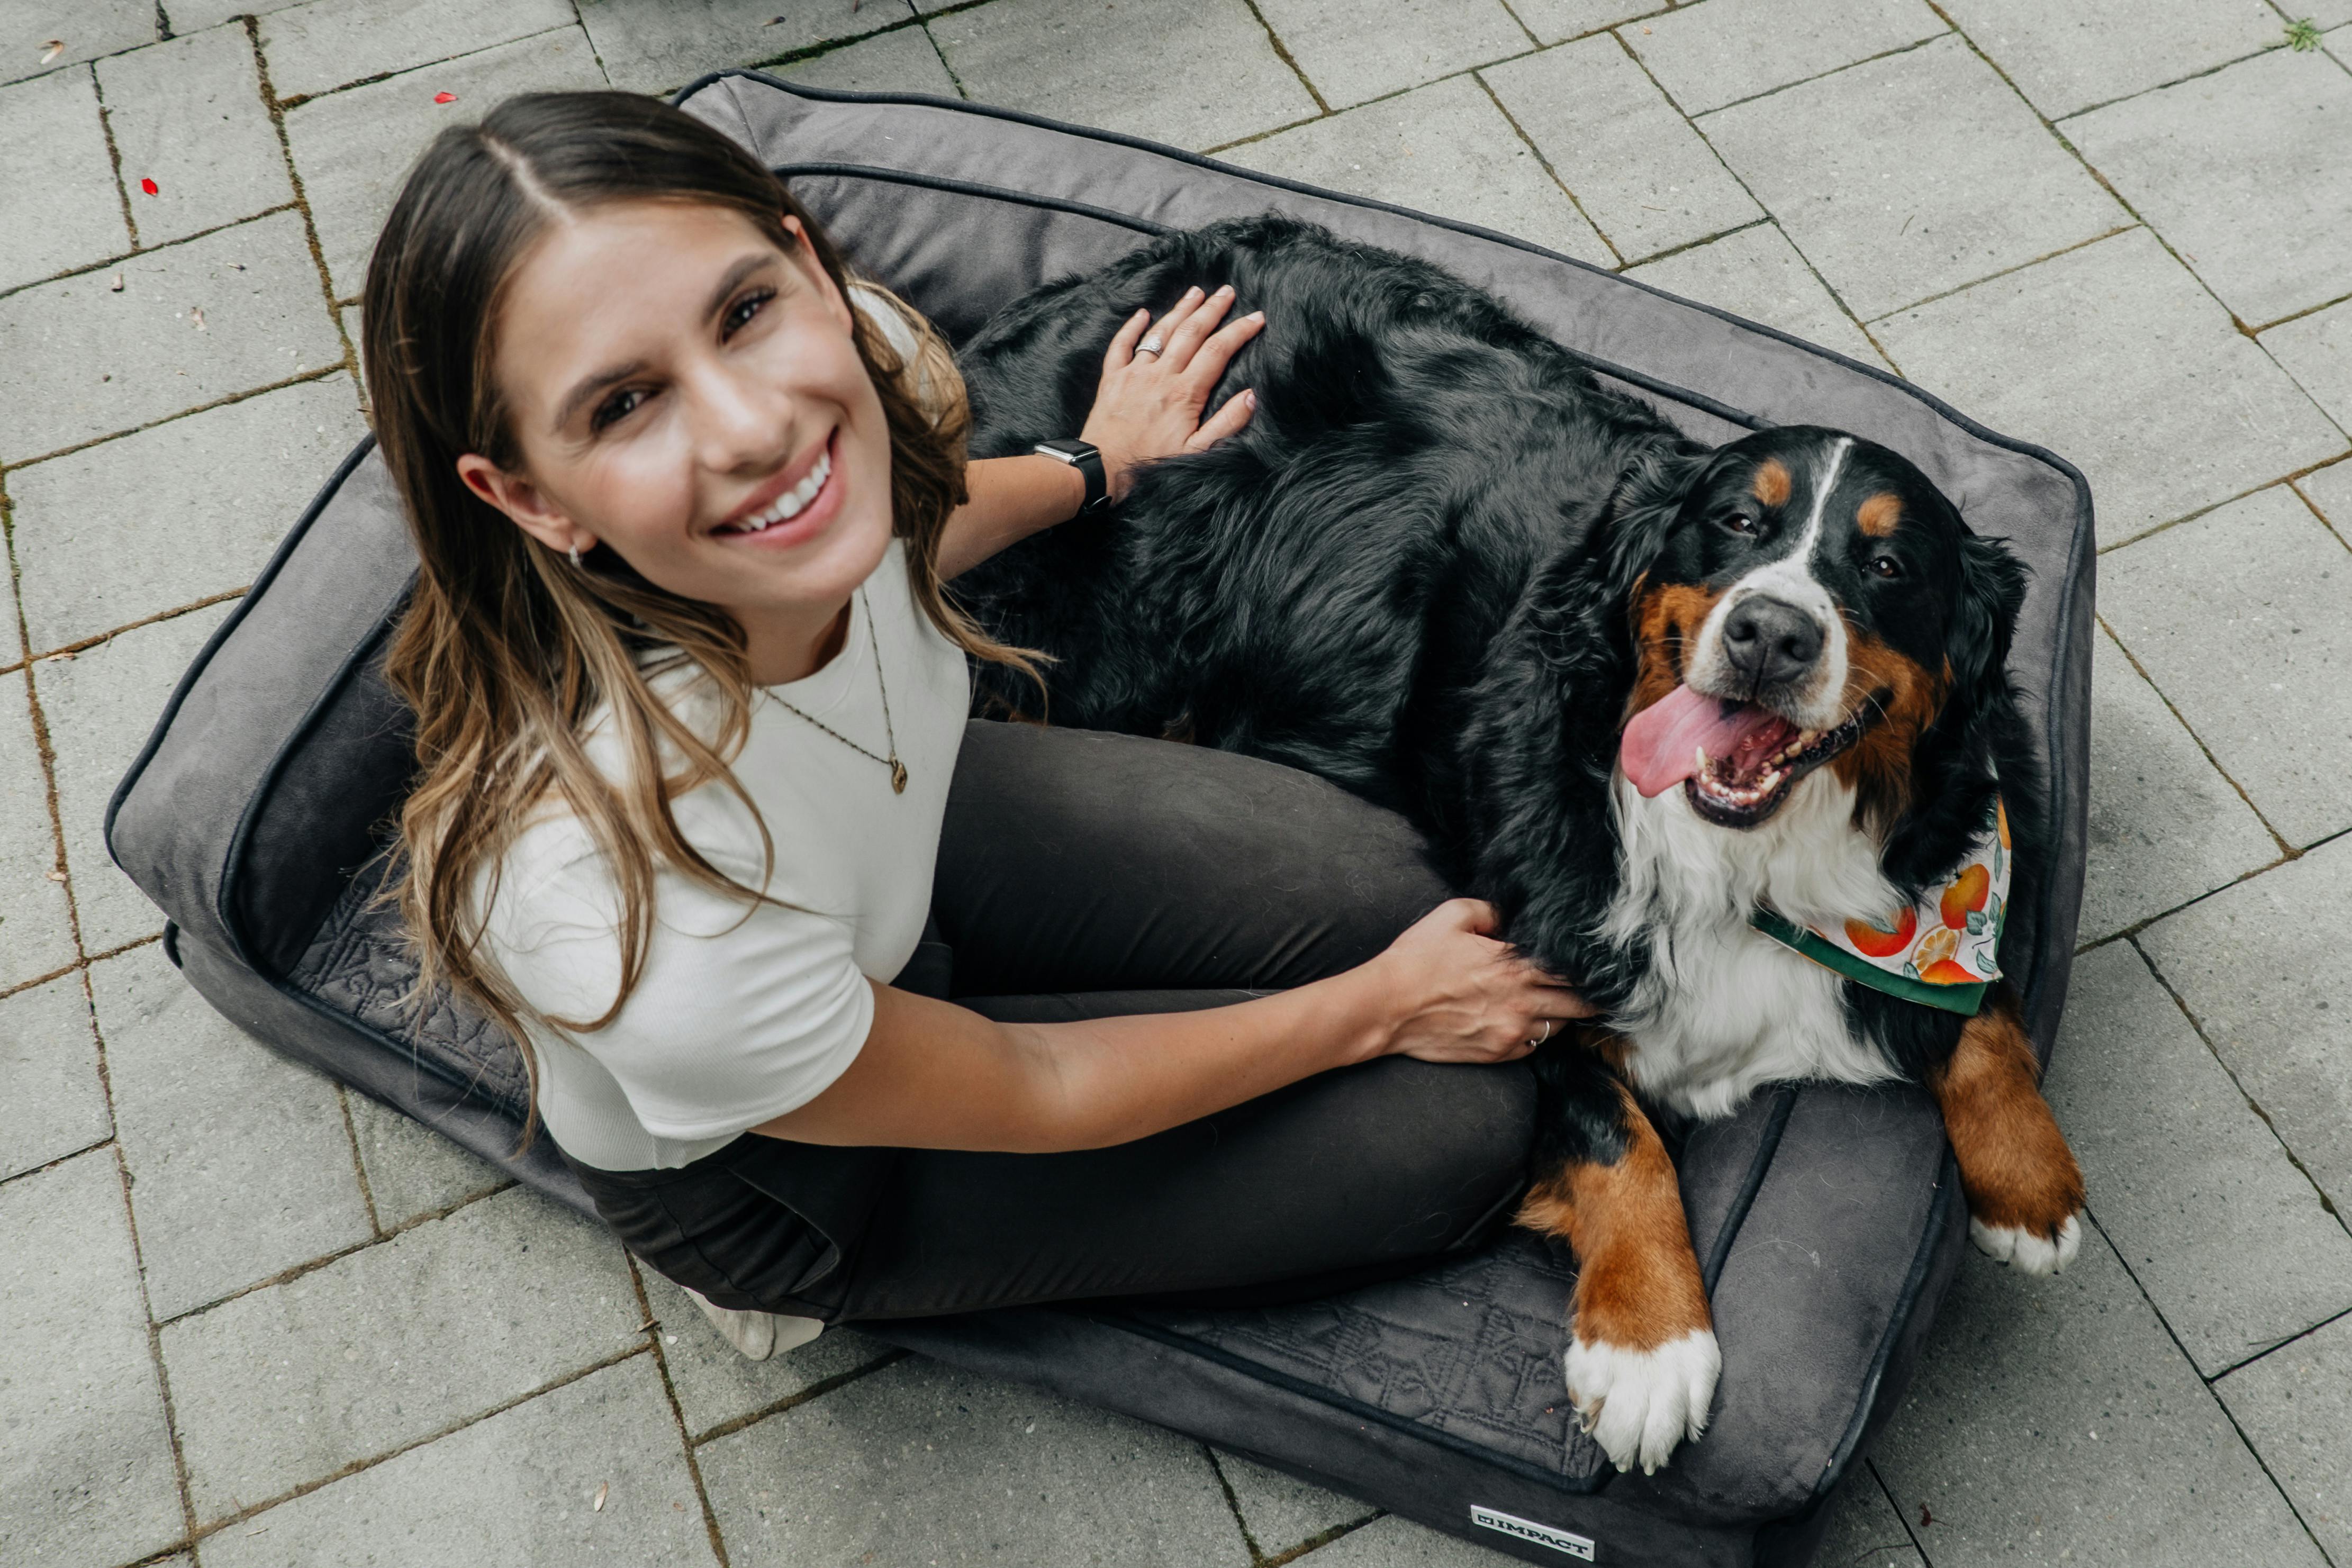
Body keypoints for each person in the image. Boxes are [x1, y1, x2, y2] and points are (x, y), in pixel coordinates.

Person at [364, 90, 1588, 1359]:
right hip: (794, 1176)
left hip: (901, 850)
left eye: (743, 310)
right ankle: (815, 1286)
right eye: (622, 405)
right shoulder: (634, 915)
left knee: (1388, 881)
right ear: (528, 497)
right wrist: (1374, 1010)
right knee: (1461, 1133)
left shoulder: (853, 386)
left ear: (810, 265)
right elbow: (1038, 1088)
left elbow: (917, 519)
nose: (755, 429)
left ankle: (967, 980)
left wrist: (1100, 460)